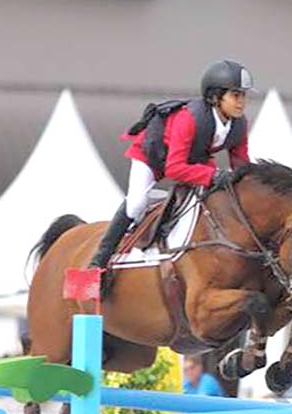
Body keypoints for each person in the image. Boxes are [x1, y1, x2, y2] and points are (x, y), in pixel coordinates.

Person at [89, 58, 255, 272]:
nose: (242, 102)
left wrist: (251, 181)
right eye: (236, 95)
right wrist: (212, 176)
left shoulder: (238, 124)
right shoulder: (189, 118)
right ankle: (98, 261)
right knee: (137, 203)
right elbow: (174, 169)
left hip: (191, 159)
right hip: (151, 156)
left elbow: (241, 164)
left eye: (244, 96)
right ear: (216, 97)